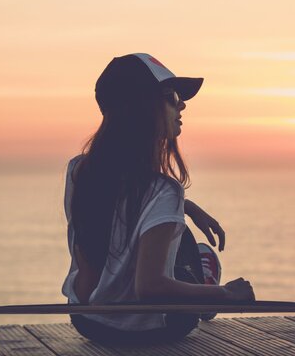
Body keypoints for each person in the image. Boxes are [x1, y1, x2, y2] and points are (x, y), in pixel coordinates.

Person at [62, 53, 255, 346]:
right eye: (171, 96)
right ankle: (203, 278)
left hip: (87, 321)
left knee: (168, 224)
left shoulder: (79, 171)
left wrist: (186, 206)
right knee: (186, 240)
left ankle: (198, 274)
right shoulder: (165, 191)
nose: (182, 104)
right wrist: (226, 294)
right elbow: (150, 288)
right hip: (152, 329)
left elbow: (121, 203)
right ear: (140, 107)